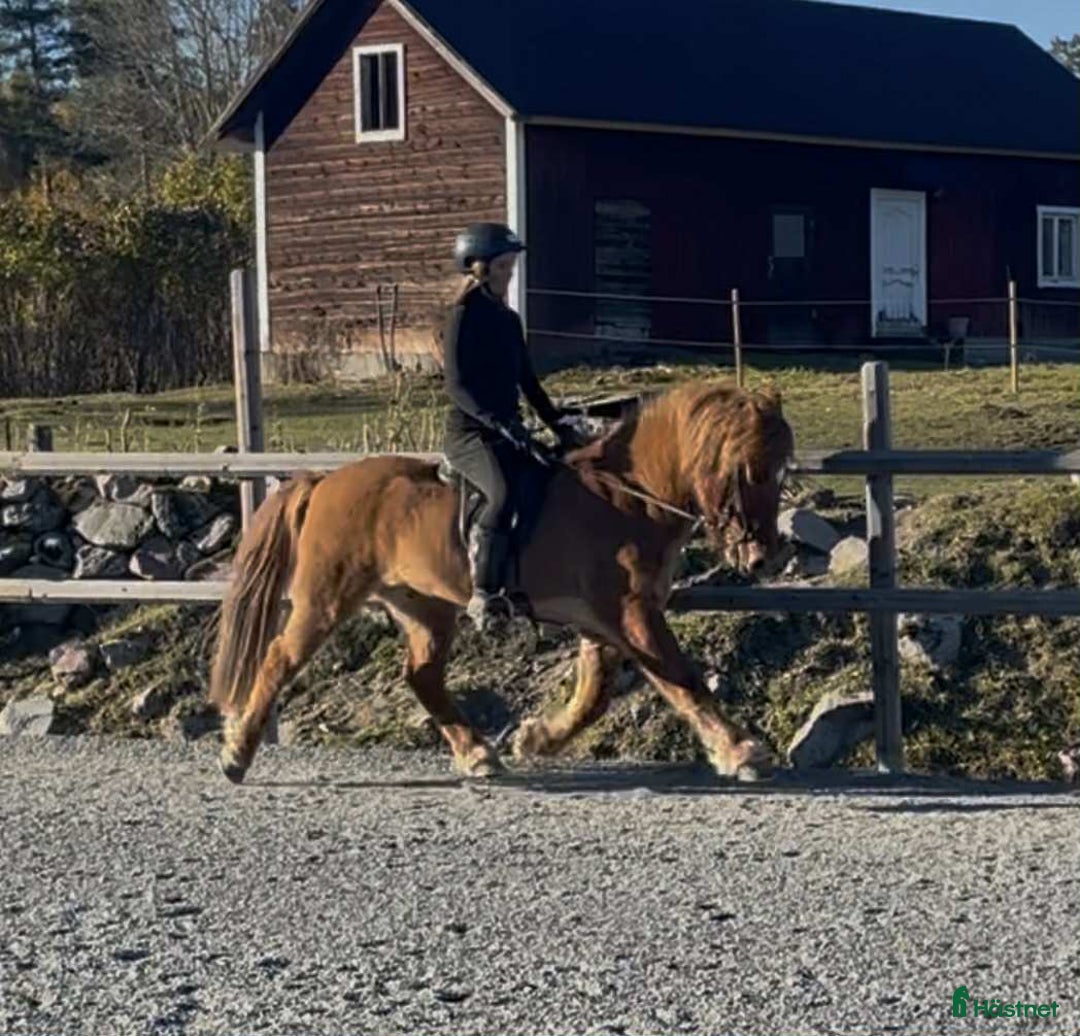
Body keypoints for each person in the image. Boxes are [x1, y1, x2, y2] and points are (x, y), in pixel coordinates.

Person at [442, 222, 577, 632]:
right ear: (478, 268)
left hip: (507, 429)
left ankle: (527, 582)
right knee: (500, 494)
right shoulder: (463, 318)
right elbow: (458, 386)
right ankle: (483, 593)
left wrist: (558, 424)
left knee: (544, 482)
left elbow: (528, 381)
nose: (510, 272)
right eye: (502, 266)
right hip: (470, 434)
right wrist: (500, 424)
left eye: (511, 265)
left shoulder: (509, 319)